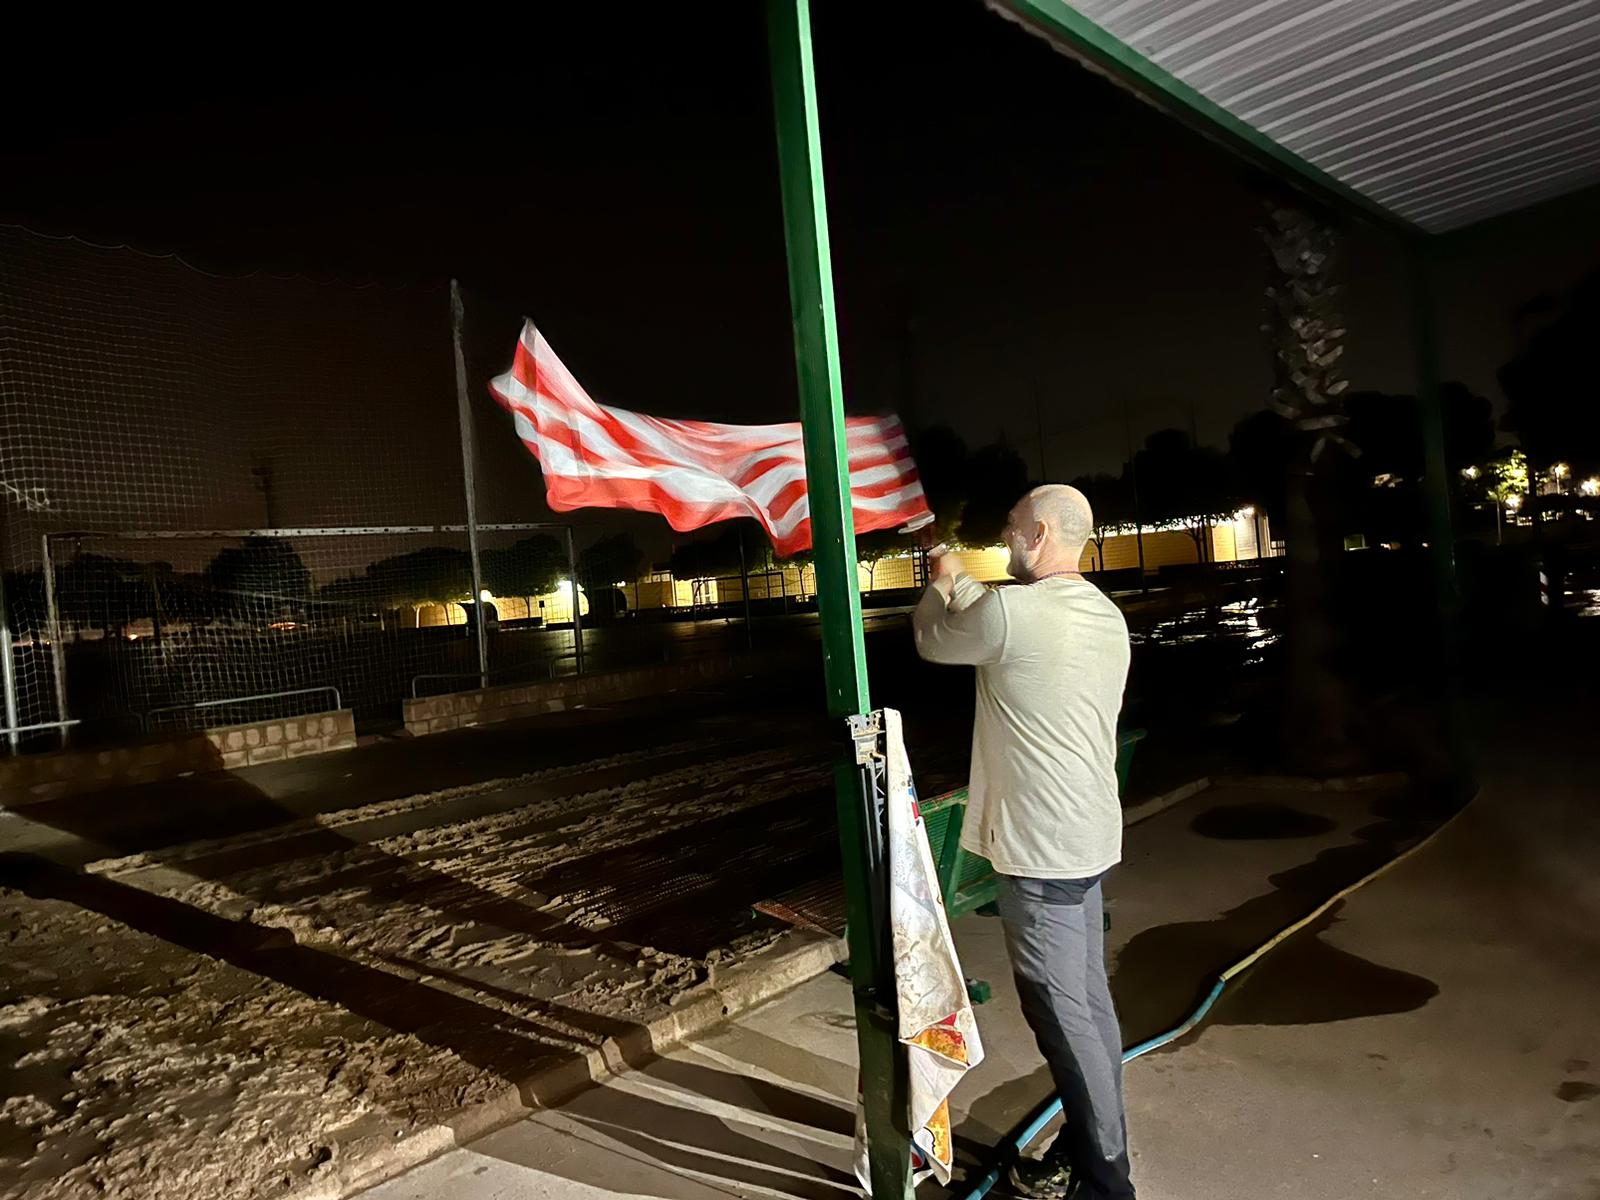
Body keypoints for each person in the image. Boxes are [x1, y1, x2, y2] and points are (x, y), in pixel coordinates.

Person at [912, 484, 1134, 1200]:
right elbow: (995, 612)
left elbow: (933, 637)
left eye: (1010, 529)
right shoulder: (1103, 614)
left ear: (1037, 534)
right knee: (1090, 1008)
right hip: (1089, 839)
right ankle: (1087, 1149)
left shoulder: (1012, 613)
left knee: (1065, 1020)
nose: (1004, 542)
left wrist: (936, 582)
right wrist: (958, 576)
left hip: (1040, 852)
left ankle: (1107, 1185)